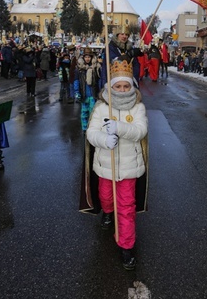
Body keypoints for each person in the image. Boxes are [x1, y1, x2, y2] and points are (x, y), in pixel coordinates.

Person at [84, 57, 148, 270]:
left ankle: (126, 245)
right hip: (105, 166)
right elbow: (91, 133)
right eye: (117, 86)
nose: (121, 90)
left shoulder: (138, 107)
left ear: (131, 86)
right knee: (105, 197)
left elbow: (140, 131)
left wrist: (119, 128)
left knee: (126, 208)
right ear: (111, 87)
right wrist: (104, 139)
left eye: (125, 85)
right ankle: (107, 212)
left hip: (128, 169)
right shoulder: (102, 107)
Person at [74, 47, 100, 131]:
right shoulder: (79, 69)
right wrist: (77, 91)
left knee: (93, 112)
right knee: (84, 113)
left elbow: (98, 80)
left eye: (89, 57)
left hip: (93, 94)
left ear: (92, 57)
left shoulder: (95, 68)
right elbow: (76, 81)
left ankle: (92, 128)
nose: (87, 59)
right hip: (84, 94)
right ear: (83, 58)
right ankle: (85, 128)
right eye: (86, 57)